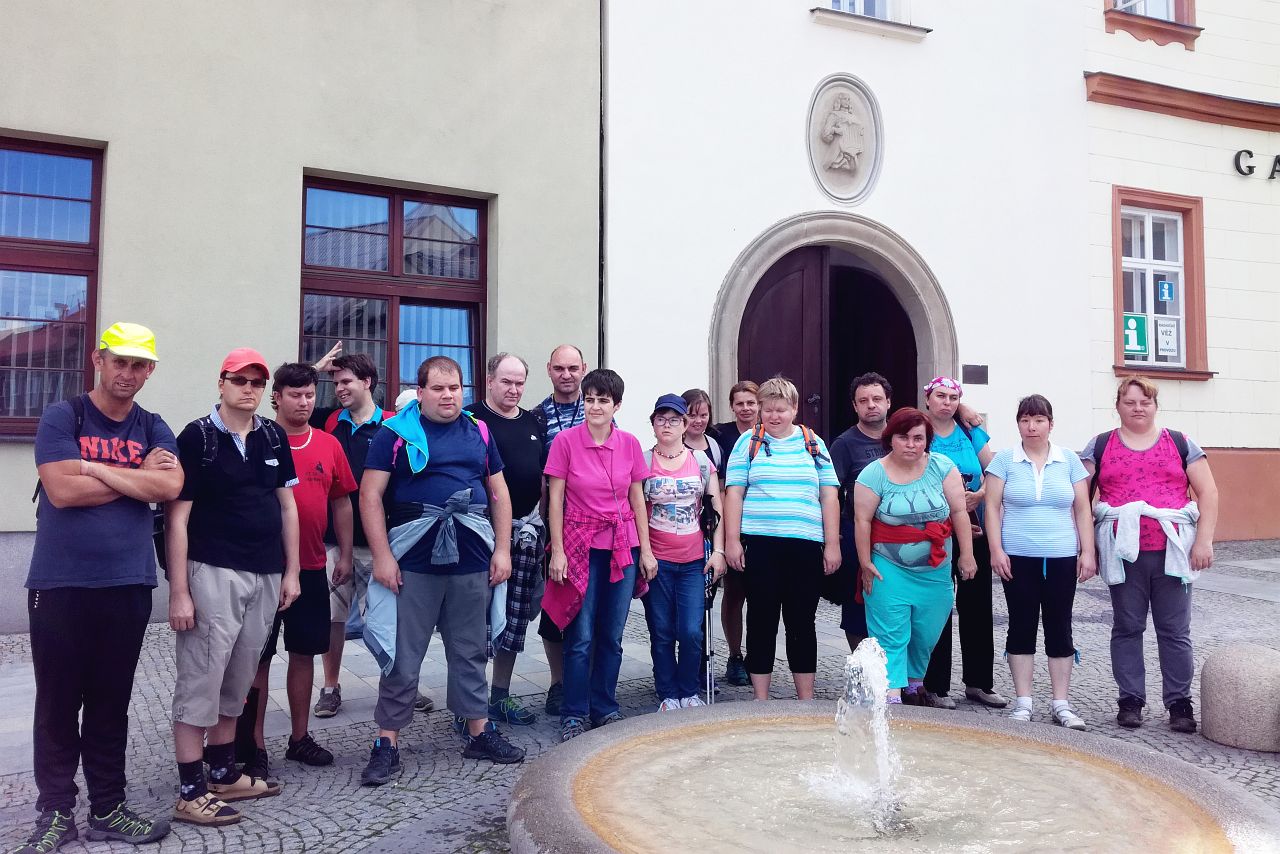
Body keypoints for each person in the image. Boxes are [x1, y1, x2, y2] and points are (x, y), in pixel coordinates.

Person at [18, 323, 180, 851]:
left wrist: (92, 467)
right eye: (119, 361)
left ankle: (108, 808)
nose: (127, 373)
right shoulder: (63, 416)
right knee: (58, 704)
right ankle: (55, 814)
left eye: (138, 365)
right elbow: (61, 491)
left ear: (149, 371)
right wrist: (133, 475)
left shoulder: (153, 424)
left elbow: (170, 484)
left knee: (112, 703)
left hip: (128, 583)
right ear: (98, 360)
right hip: (60, 584)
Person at [357, 356, 524, 787]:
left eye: (455, 388)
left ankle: (478, 731)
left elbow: (499, 492)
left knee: (470, 650)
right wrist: (382, 557)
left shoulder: (479, 431)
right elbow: (370, 496)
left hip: (472, 559)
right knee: (402, 655)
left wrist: (502, 550)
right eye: (438, 388)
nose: (448, 396)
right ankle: (387, 742)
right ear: (421, 391)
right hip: (413, 562)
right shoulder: (395, 434)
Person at [166, 348, 301, 825]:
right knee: (201, 677)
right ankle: (190, 791)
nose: (248, 389)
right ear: (221, 383)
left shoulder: (272, 435)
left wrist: (291, 571)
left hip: (265, 572)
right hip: (213, 570)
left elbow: (287, 506)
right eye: (239, 380)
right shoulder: (197, 437)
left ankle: (223, 773)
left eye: (256, 382)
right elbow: (177, 519)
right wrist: (179, 590)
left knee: (239, 677)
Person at [237, 364, 357, 776]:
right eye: (295, 395)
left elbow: (342, 501)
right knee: (258, 657)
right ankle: (252, 745)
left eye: (309, 394)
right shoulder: (257, 439)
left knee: (304, 652)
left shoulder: (328, 444)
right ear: (277, 397)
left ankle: (299, 738)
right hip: (264, 569)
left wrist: (344, 554)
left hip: (311, 565)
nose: (304, 402)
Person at [1081, 376, 1218, 733]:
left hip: (1174, 552)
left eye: (1145, 402)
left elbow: (1208, 492)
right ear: (1118, 406)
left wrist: (1204, 541)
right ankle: (1130, 700)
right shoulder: (1101, 445)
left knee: (1175, 630)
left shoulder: (1180, 442)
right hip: (1123, 555)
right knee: (1127, 627)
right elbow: (1080, 499)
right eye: (1130, 402)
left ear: (1155, 406)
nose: (1138, 408)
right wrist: (1087, 548)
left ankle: (1179, 702)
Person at [543, 369, 657, 741]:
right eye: (589, 399)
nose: (594, 406)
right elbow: (555, 500)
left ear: (616, 406)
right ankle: (574, 712)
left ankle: (604, 706)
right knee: (580, 634)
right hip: (581, 546)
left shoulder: (629, 444)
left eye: (603, 400)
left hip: (622, 546)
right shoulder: (565, 442)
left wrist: (646, 551)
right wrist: (557, 551)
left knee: (612, 633)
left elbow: (637, 500)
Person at [305, 346, 413, 718]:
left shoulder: (393, 425)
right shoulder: (329, 420)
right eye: (335, 382)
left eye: (346, 381)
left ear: (367, 382)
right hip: (334, 539)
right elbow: (282, 404)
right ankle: (330, 688)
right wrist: (313, 370)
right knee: (333, 618)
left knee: (388, 618)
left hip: (378, 541)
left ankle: (399, 684)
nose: (338, 388)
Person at [723, 377, 840, 701]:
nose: (774, 416)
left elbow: (829, 495)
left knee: (802, 622)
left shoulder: (812, 443)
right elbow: (734, 493)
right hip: (761, 544)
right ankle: (760, 699)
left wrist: (832, 544)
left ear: (794, 409)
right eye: (768, 409)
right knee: (761, 620)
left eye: (781, 410)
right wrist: (732, 540)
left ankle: (806, 699)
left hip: (805, 545)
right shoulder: (748, 442)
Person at [985, 395, 1096, 730]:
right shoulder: (1004, 461)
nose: (1031, 427)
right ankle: (1024, 701)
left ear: (1051, 423)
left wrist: (1087, 552)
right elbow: (991, 507)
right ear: (1018, 423)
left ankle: (1061, 703)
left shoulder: (1069, 461)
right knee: (1021, 625)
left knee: (1060, 626)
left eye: (1038, 420)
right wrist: (995, 550)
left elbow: (1082, 509)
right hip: (1017, 557)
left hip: (1061, 556)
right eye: (1025, 420)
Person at [853, 407, 976, 703]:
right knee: (891, 634)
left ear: (927, 440)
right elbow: (862, 521)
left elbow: (959, 511)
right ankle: (891, 695)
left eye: (918, 438)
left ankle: (912, 681)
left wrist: (967, 555)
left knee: (926, 632)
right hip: (888, 567)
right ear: (890, 438)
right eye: (903, 437)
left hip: (936, 569)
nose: (911, 444)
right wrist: (865, 563)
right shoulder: (873, 474)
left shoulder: (942, 467)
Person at [465, 352, 549, 726]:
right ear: (489, 381)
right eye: (506, 382)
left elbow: (543, 479)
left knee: (515, 620)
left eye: (519, 383)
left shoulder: (533, 422)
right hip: (481, 534)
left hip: (527, 535)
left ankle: (500, 694)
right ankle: (467, 703)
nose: (513, 389)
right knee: (474, 621)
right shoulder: (470, 419)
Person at [920, 376, 1006, 710]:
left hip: (975, 528)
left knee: (978, 606)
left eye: (953, 397)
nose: (947, 402)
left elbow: (995, 473)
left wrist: (980, 495)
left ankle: (979, 682)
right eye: (940, 396)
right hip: (935, 530)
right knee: (938, 606)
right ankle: (935, 685)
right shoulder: (919, 431)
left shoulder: (970, 432)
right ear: (927, 399)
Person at [642, 394, 727, 710]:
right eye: (661, 419)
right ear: (653, 425)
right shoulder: (643, 461)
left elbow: (717, 509)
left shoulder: (701, 461)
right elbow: (636, 509)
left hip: (693, 561)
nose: (667, 425)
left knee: (691, 630)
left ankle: (689, 690)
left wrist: (718, 551)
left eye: (674, 420)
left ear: (684, 424)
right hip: (657, 560)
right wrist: (644, 553)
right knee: (662, 630)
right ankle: (668, 692)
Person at [532, 343, 591, 716]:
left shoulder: (597, 408)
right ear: (549, 370)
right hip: (554, 527)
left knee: (589, 608)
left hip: (593, 526)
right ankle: (558, 682)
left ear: (583, 368)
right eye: (559, 368)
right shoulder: (537, 417)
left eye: (572, 368)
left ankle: (587, 680)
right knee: (555, 608)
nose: (566, 375)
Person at [828, 373, 893, 654]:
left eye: (877, 399)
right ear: (855, 406)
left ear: (888, 402)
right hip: (858, 532)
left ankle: (899, 669)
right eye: (863, 401)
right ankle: (864, 665)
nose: (871, 405)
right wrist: (833, 537)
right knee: (858, 604)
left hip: (899, 535)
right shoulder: (844, 444)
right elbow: (830, 492)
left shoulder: (902, 437)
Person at [710, 380, 760, 687]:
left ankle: (758, 655)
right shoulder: (720, 435)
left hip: (763, 524)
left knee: (762, 595)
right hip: (732, 524)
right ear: (731, 406)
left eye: (751, 403)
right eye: (739, 403)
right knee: (734, 593)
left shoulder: (770, 433)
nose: (745, 408)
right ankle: (735, 655)